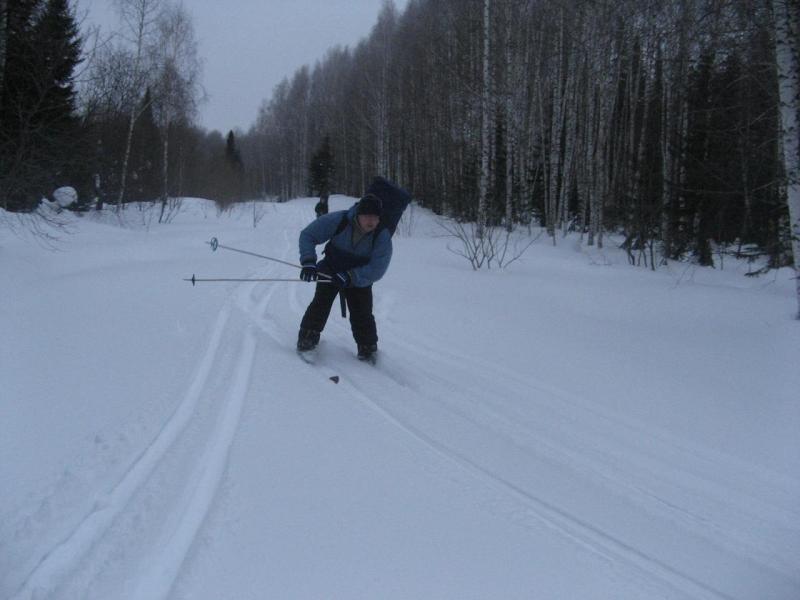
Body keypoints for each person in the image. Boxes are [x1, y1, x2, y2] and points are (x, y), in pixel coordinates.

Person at [297, 193, 391, 362]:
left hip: (360, 276)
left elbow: (378, 269)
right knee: (321, 304)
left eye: (375, 217)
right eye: (367, 216)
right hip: (331, 268)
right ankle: (307, 340)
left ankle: (368, 349)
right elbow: (308, 235)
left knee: (362, 313)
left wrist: (351, 276)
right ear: (358, 214)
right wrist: (309, 262)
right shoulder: (339, 220)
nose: (371, 221)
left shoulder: (382, 236)